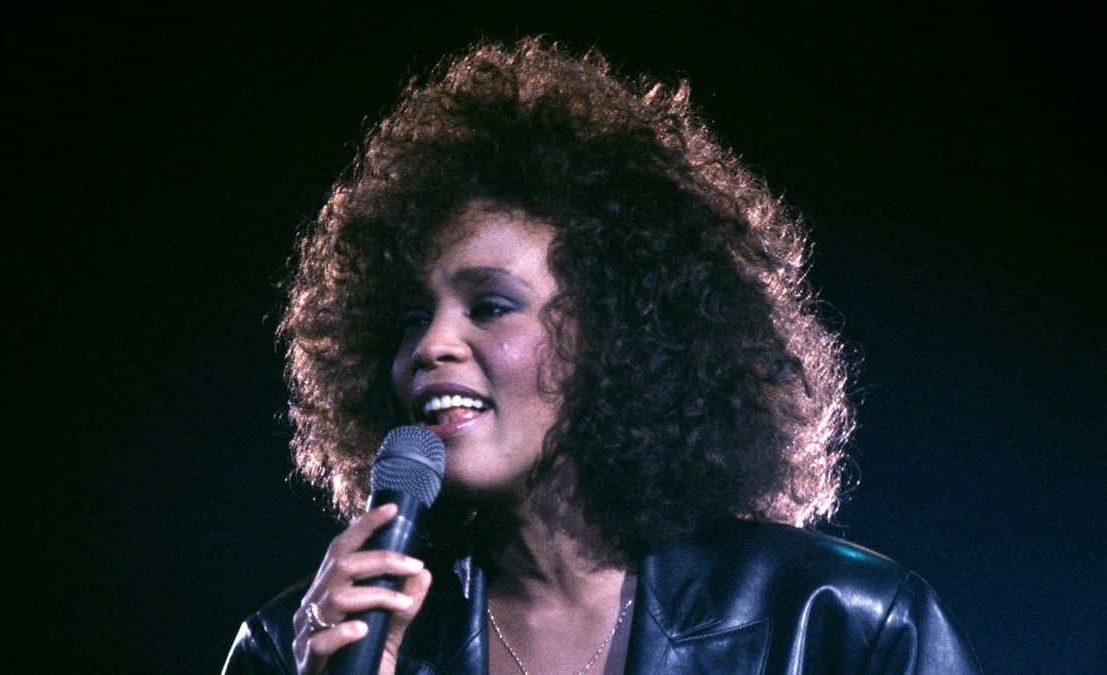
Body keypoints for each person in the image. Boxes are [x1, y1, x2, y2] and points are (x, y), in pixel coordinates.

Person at [224, 38, 979, 674]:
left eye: (490, 306)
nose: (429, 346)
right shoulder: (293, 646)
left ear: (618, 328)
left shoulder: (841, 625)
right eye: (410, 318)